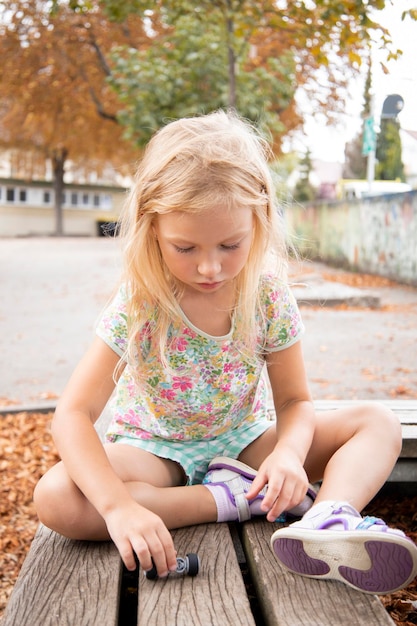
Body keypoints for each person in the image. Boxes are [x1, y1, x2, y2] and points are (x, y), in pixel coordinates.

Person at [34, 110, 417, 594]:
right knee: (57, 498)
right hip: (155, 449)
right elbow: (72, 413)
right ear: (152, 228)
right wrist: (118, 507)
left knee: (378, 423)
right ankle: (232, 500)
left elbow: (296, 402)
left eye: (230, 244)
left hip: (245, 443)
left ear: (259, 221)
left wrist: (289, 456)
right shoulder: (142, 300)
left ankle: (326, 518)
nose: (210, 266)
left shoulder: (267, 293)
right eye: (185, 247)